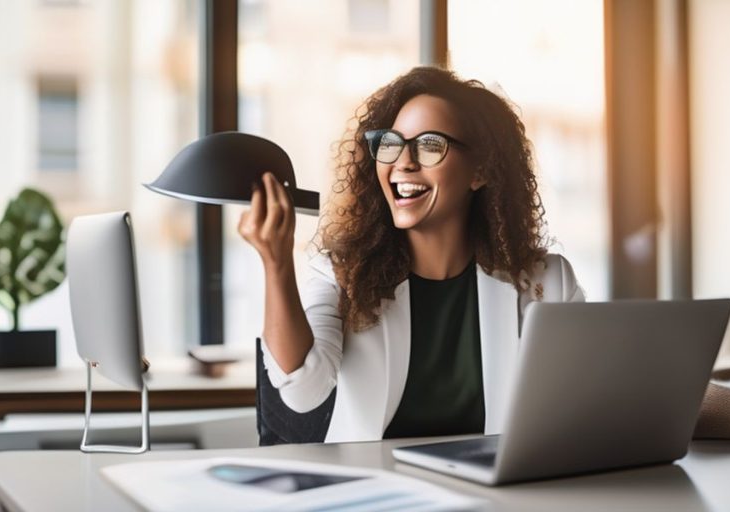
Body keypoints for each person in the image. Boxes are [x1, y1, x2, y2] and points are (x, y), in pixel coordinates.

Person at [238, 66, 584, 443]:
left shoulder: (547, 283)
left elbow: (580, 409)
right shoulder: (340, 274)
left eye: (430, 145)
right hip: (379, 495)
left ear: (480, 171)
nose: (403, 161)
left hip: (495, 497)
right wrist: (276, 264)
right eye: (391, 143)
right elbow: (303, 392)